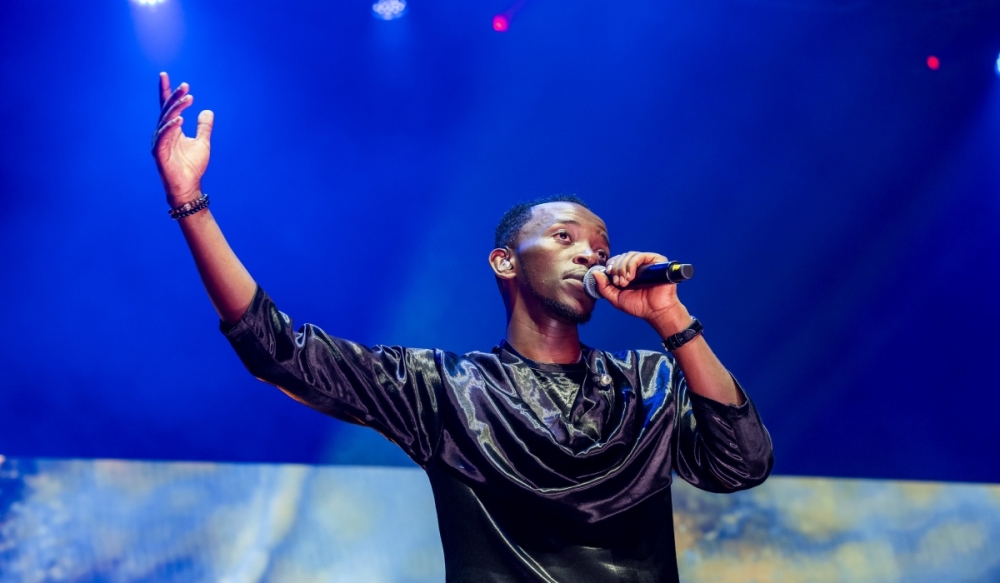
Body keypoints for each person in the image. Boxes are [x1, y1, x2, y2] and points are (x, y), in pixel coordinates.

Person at [152, 72, 773, 583]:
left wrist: (670, 315)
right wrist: (190, 203)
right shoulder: (444, 389)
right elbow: (277, 349)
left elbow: (742, 464)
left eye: (599, 245)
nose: (589, 254)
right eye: (564, 238)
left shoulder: (649, 384)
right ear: (504, 260)